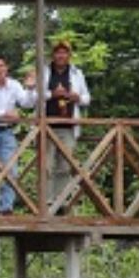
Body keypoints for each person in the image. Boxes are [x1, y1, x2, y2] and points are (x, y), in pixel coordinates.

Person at [0, 54, 36, 213]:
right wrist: (6, 113)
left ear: (6, 67)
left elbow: (27, 103)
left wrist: (30, 89)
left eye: (1, 66)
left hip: (7, 131)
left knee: (11, 170)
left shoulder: (14, 85)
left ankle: (7, 206)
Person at [39, 38, 91, 211]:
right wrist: (52, 94)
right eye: (58, 52)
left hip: (68, 125)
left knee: (65, 166)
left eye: (64, 52)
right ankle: (46, 202)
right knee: (46, 164)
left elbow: (87, 98)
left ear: (69, 55)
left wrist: (76, 97)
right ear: (53, 55)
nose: (61, 56)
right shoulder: (45, 72)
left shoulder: (76, 73)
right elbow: (35, 97)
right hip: (47, 125)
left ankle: (60, 202)